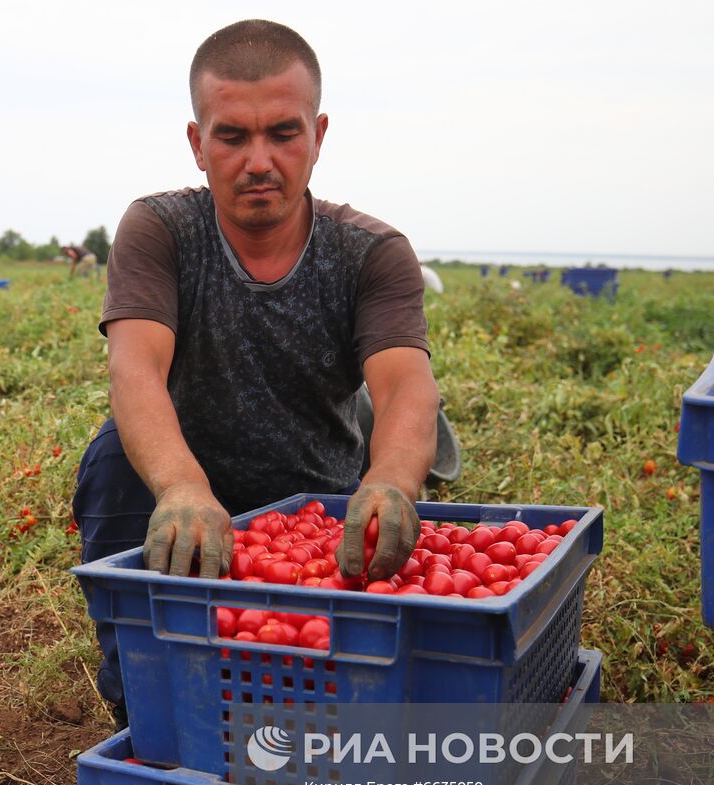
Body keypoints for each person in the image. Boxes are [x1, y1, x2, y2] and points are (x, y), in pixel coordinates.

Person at [72, 19, 439, 722]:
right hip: (184, 476)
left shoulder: (371, 253)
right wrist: (181, 485)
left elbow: (404, 386)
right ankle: (144, 699)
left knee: (315, 687)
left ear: (319, 134)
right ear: (197, 143)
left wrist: (391, 481)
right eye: (232, 136)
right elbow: (135, 369)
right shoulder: (161, 230)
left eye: (283, 132)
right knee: (114, 460)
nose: (259, 160)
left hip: (312, 497)